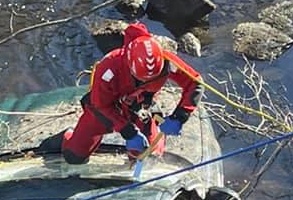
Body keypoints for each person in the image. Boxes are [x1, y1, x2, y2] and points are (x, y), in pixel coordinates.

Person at [62, 22, 202, 165]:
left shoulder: (167, 61)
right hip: (106, 111)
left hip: (140, 108)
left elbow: (195, 83)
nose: (146, 81)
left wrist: (180, 116)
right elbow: (100, 105)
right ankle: (68, 135)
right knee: (74, 156)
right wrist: (128, 131)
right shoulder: (108, 68)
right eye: (141, 78)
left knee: (148, 157)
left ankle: (139, 158)